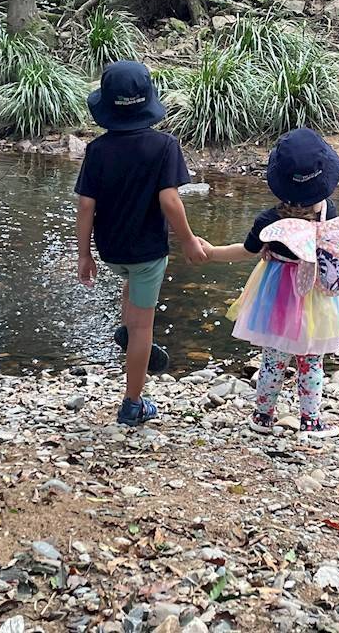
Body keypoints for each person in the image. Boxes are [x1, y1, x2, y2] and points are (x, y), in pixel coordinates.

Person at [204, 128, 339, 439]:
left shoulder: (269, 221)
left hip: (278, 294)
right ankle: (310, 421)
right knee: (312, 360)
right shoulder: (330, 212)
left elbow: (246, 252)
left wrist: (210, 253)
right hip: (320, 293)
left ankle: (263, 415)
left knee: (273, 357)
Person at [75, 60, 207, 427]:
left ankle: (126, 331)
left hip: (111, 250)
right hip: (148, 253)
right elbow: (169, 200)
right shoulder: (165, 146)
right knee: (144, 326)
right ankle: (133, 403)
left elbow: (86, 204)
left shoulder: (97, 149)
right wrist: (189, 240)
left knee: (130, 287)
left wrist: (84, 255)